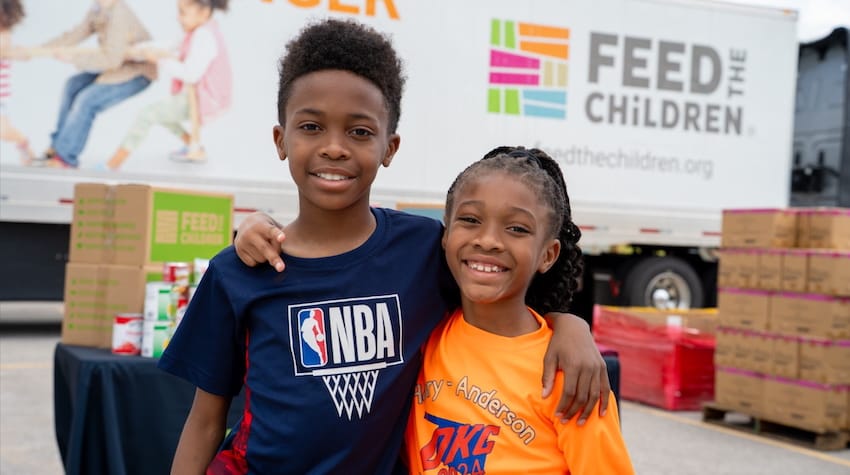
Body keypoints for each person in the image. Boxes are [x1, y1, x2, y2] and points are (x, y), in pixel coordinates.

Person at [159, 19, 608, 474]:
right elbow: (205, 422)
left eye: (359, 132)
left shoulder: (423, 250)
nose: (334, 148)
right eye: (311, 126)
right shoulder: (239, 271)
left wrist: (570, 325)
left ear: (389, 148)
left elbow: (503, 291)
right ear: (281, 140)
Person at [404, 146, 634, 474]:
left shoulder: (570, 377)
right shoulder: (424, 334)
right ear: (446, 233)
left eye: (517, 229)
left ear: (548, 255)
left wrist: (571, 325)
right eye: (470, 220)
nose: (488, 240)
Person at [106, 0, 232, 170]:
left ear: (203, 13)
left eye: (183, 13)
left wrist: (159, 59)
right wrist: (139, 50)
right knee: (162, 115)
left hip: (206, 98)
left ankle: (114, 163)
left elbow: (191, 74)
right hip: (198, 95)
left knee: (147, 114)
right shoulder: (197, 32)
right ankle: (193, 145)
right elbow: (170, 46)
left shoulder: (204, 36)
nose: (178, 18)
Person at [36, 0, 155, 168]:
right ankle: (57, 147)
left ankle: (66, 157)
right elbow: (78, 32)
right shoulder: (98, 7)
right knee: (72, 85)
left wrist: (74, 58)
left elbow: (111, 59)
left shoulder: (119, 14)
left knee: (87, 100)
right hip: (116, 67)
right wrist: (42, 49)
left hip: (137, 72)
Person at [0, 0, 35, 164]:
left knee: (3, 131)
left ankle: (23, 144)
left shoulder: (4, 36)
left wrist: (20, 54)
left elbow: (12, 52)